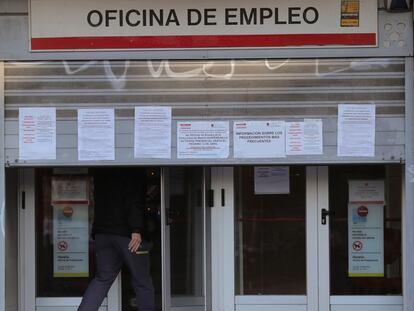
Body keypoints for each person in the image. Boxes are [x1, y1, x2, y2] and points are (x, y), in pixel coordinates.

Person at [78, 168, 155, 311]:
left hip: (103, 233)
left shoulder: (101, 170)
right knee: (142, 281)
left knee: (102, 279)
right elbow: (134, 200)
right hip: (128, 236)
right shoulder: (132, 170)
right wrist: (136, 229)